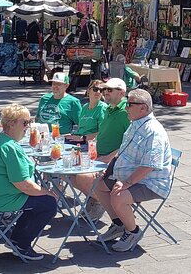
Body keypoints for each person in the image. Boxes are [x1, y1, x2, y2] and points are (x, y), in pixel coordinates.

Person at [91, 88, 172, 252]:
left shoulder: (153, 132)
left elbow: (149, 166)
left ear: (143, 107)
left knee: (118, 196)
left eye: (129, 104)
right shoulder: (136, 123)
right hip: (130, 175)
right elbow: (122, 151)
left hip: (151, 182)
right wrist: (109, 167)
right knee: (98, 184)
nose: (126, 107)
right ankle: (119, 224)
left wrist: (126, 183)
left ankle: (133, 232)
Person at [0, 104, 58, 261]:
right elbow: (24, 185)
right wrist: (48, 192)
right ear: (11, 123)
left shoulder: (1, 140)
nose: (28, 126)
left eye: (29, 122)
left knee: (38, 201)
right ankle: (22, 243)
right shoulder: (9, 147)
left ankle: (17, 239)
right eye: (25, 122)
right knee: (48, 203)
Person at [71, 77, 130, 221]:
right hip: (98, 154)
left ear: (121, 93)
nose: (105, 93)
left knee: (83, 177)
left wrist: (109, 157)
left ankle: (107, 207)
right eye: (104, 89)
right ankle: (94, 198)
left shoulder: (126, 112)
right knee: (71, 174)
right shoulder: (110, 109)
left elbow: (129, 143)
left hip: (115, 160)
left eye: (109, 90)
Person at [67, 79, 107, 144]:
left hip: (89, 143)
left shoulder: (102, 108)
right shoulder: (85, 106)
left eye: (101, 90)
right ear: (88, 91)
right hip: (77, 138)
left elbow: (103, 132)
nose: (98, 92)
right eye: (95, 89)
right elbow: (81, 128)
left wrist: (84, 138)